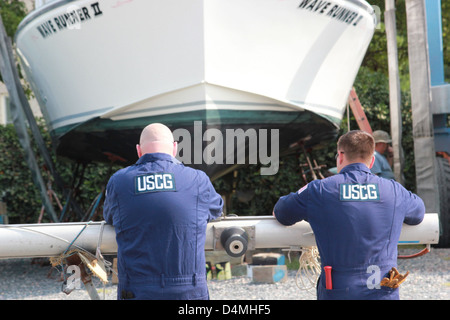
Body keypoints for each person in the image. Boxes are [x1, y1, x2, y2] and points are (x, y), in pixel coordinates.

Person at [273, 130, 425, 300]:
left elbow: (282, 212)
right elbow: (418, 213)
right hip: (383, 290)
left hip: (338, 290)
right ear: (372, 160)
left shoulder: (320, 190)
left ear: (340, 156)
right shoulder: (394, 191)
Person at [103, 123, 223, 300]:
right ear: (174, 148)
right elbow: (216, 209)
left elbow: (110, 217)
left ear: (139, 150)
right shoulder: (197, 180)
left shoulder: (119, 182)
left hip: (136, 291)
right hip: (188, 292)